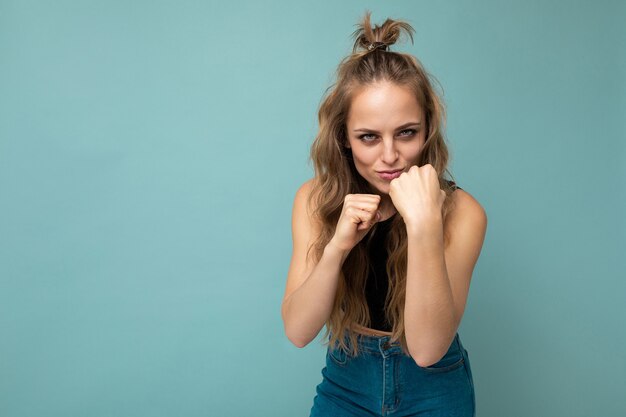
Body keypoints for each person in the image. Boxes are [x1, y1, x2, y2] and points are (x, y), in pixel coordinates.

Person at [281, 11, 487, 417]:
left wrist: (425, 224)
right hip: (347, 382)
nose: (389, 156)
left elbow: (427, 350)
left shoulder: (464, 213)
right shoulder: (314, 199)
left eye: (406, 132)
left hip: (435, 389)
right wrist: (337, 247)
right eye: (369, 137)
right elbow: (298, 330)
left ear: (428, 129)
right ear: (344, 137)